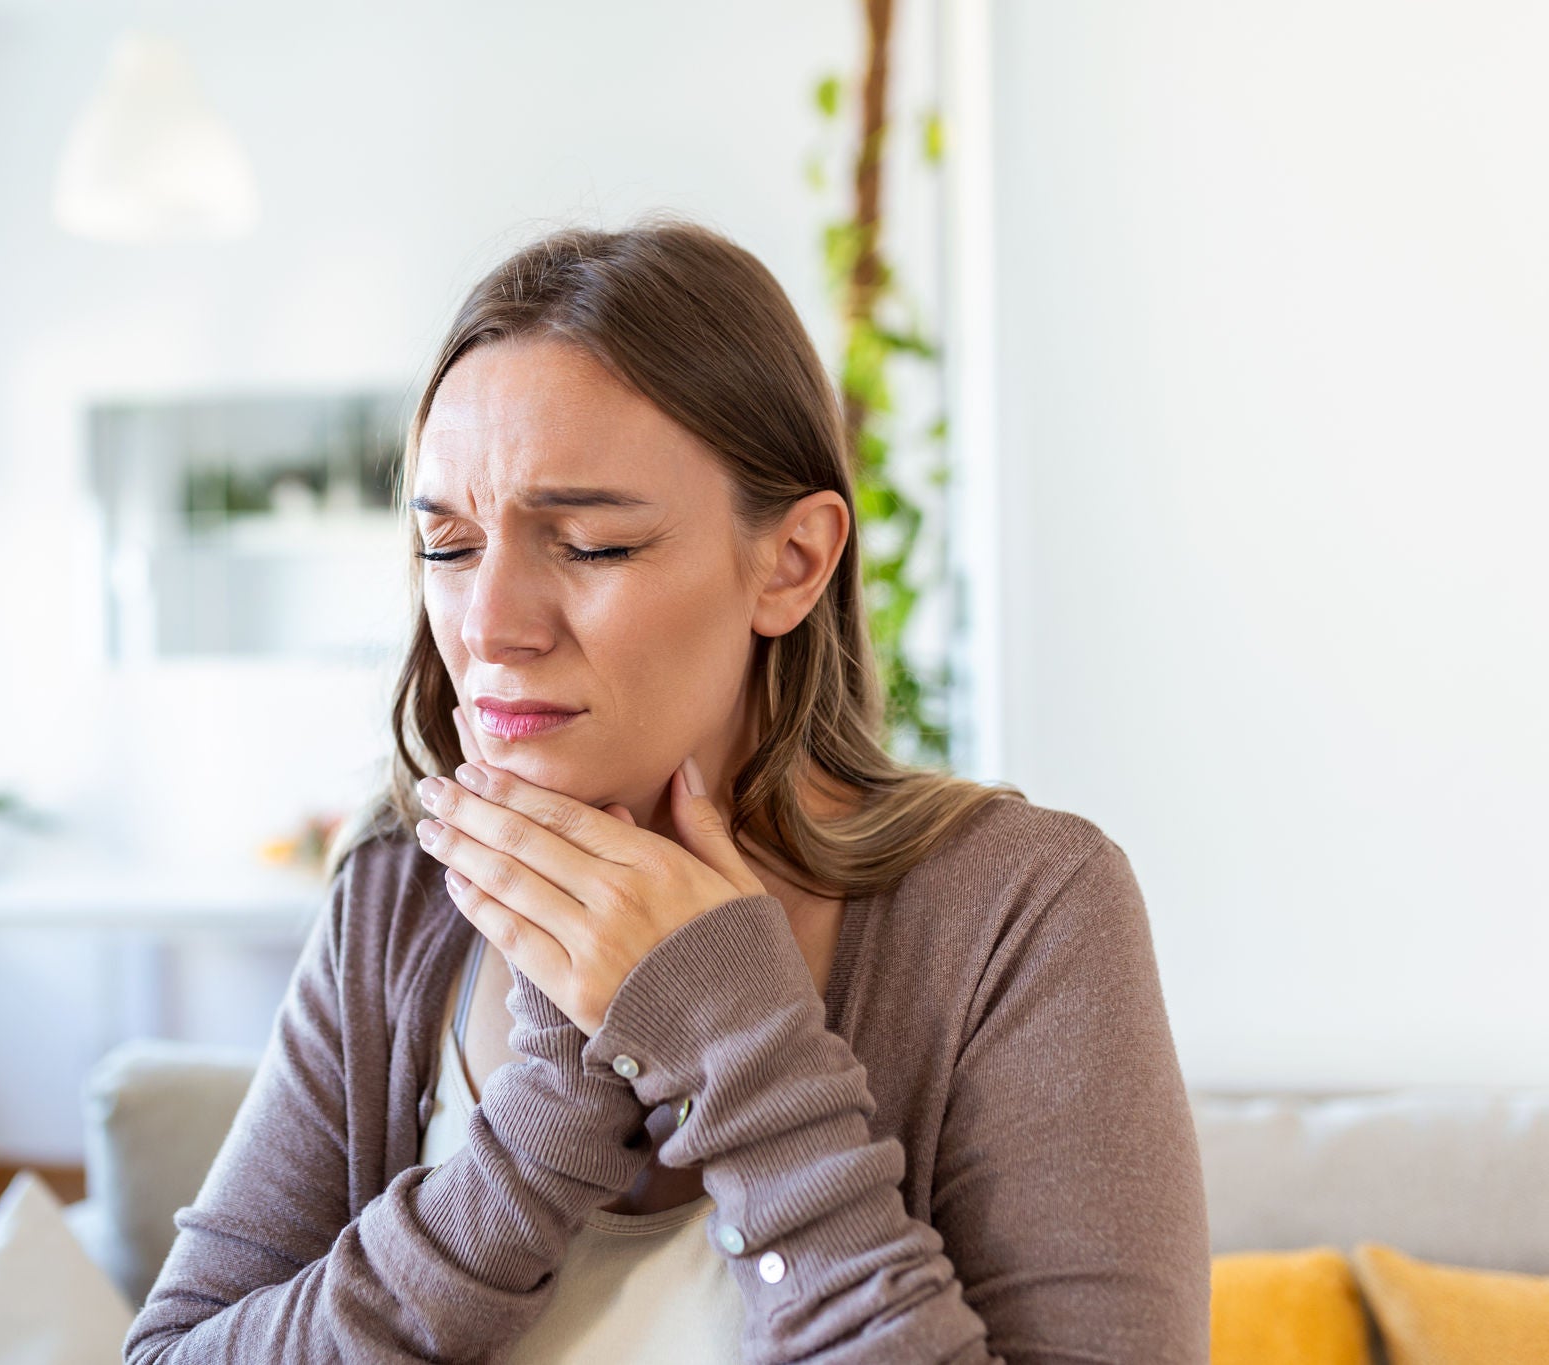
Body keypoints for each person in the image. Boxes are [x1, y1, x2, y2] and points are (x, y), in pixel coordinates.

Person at [123, 215, 1210, 1363]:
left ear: (790, 562)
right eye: (447, 547)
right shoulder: (397, 900)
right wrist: (534, 1139)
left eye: (588, 544)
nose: (488, 627)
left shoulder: (1020, 910)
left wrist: (743, 1054)